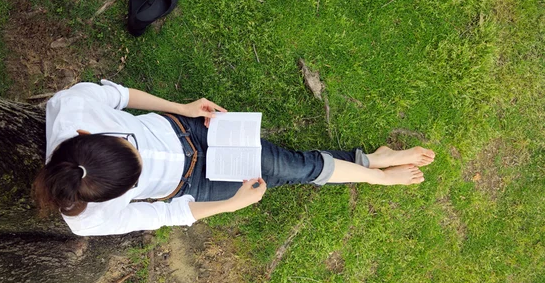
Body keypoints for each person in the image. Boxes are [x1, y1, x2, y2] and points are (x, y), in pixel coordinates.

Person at [33, 80, 435, 236]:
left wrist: (185, 107)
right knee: (292, 168)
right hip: (195, 183)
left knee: (291, 163)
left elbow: (123, 97)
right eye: (137, 177)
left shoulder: (71, 108)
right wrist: (231, 204)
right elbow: (164, 215)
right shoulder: (90, 220)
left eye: (128, 143)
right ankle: (373, 170)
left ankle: (373, 164)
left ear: (88, 135)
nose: (140, 154)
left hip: (186, 130)